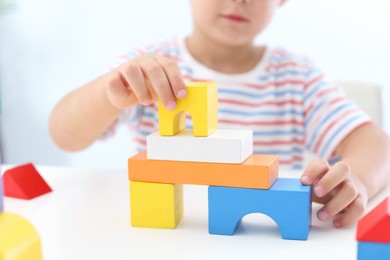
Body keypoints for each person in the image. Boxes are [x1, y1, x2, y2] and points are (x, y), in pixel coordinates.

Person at [49, 0, 390, 228]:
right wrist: (108, 94)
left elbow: (373, 142)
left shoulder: (296, 75)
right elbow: (64, 133)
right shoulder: (147, 65)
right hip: (166, 234)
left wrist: (357, 178)